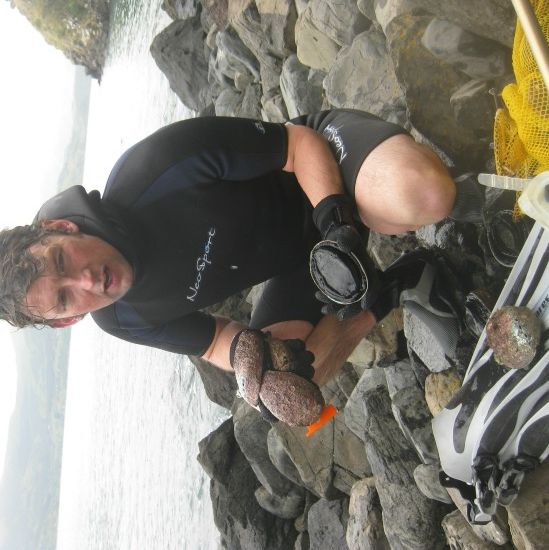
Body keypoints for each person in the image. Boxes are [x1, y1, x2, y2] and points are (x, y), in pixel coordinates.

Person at [0, 110, 475, 389]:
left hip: (323, 171)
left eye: (62, 260)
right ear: (66, 320)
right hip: (304, 260)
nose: (85, 281)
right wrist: (254, 367)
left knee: (423, 196)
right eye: (64, 297)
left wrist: (336, 223)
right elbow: (213, 342)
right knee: (285, 381)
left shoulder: (153, 171)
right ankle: (402, 283)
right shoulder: (123, 318)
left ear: (61, 227)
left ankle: (385, 202)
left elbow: (298, 143)